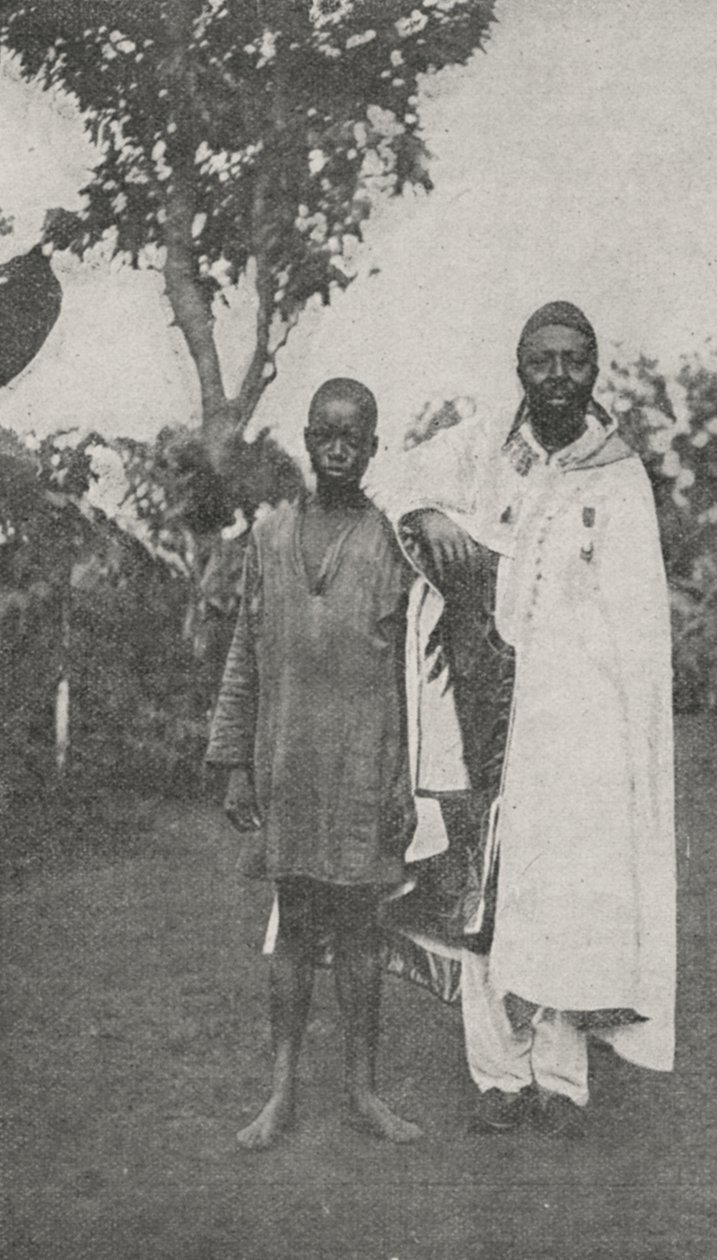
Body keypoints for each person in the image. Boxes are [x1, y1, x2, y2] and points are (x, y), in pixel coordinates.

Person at [395, 302, 677, 1138]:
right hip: (480, 706)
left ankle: (559, 1079)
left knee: (566, 893)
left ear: (594, 369)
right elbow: (393, 482)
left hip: (576, 725)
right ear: (518, 367)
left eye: (573, 360)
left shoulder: (617, 475)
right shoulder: (484, 447)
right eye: (540, 360)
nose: (557, 375)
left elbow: (638, 627)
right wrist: (431, 516)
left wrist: (617, 742)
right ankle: (497, 1075)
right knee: (481, 887)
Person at [206, 378, 422, 1149]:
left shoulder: (391, 544)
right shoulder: (269, 538)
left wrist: (404, 778)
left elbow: (410, 676)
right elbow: (245, 650)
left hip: (364, 768)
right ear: (305, 439)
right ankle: (281, 1093)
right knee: (294, 927)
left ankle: (363, 1092)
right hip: (288, 763)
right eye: (324, 435)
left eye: (352, 438)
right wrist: (234, 762)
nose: (337, 450)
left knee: (360, 933)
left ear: (372, 447)